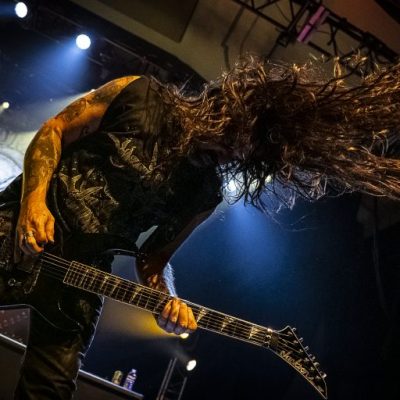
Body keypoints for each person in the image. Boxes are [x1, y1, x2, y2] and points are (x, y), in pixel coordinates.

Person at [1, 55, 400, 399]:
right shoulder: (141, 95)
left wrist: (168, 299)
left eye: (243, 154)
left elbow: (155, 257)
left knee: (49, 389)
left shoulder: (204, 193)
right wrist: (33, 203)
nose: (230, 154)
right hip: (15, 231)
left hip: (78, 281)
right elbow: (55, 130)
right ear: (225, 107)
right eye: (233, 138)